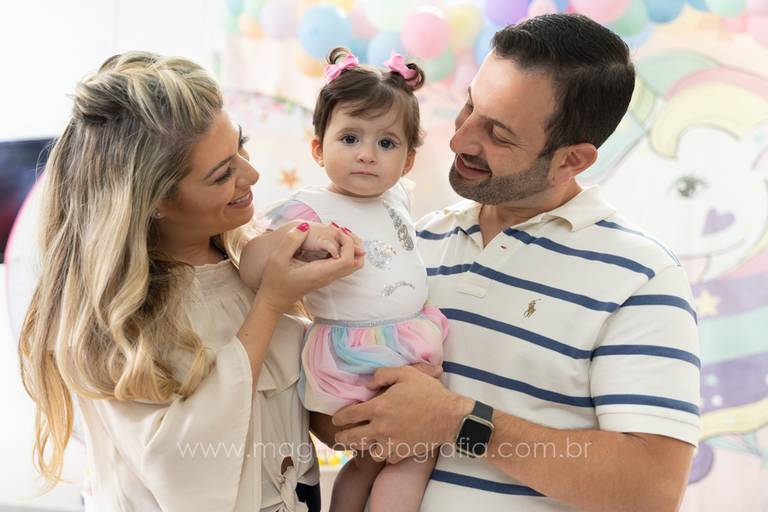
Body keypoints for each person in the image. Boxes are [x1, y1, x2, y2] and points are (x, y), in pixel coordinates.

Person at [332, 14, 701, 511]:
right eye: (469, 106)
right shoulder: (416, 240)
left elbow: (651, 489)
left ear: (571, 160)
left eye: (498, 134)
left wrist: (458, 422)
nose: (461, 140)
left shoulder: (641, 277)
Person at [18, 51, 364, 512]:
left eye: (241, 146)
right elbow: (185, 474)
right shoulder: (120, 322)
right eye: (222, 174)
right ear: (154, 201)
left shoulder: (252, 265)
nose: (252, 174)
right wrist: (269, 305)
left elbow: (311, 418)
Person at [239, 48, 448, 512]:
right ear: (318, 148)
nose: (367, 155)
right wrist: (301, 237)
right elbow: (252, 264)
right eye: (350, 138)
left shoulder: (397, 196)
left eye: (387, 144)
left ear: (408, 161)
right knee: (401, 455)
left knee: (386, 458)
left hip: (406, 341)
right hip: (355, 352)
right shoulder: (310, 207)